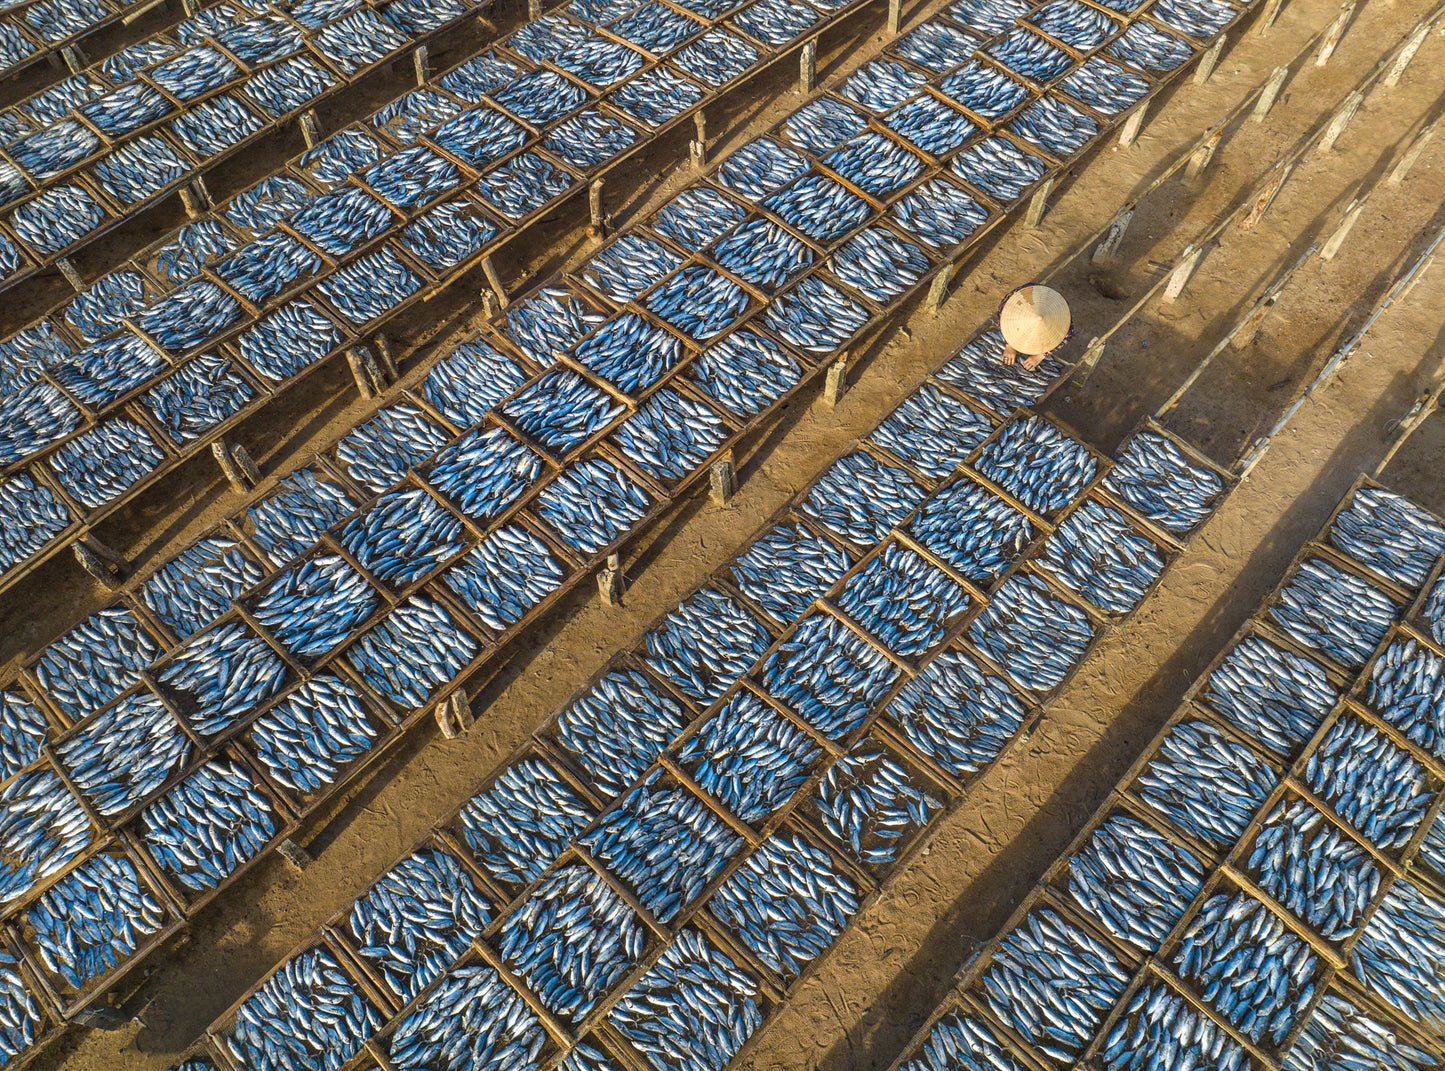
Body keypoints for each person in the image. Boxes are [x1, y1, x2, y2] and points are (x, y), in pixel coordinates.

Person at [998, 284, 1072, 372]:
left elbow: (1066, 338)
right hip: (1029, 293)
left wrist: (1040, 356)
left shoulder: (1064, 320)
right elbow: (1002, 320)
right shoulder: (1007, 305)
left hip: (1047, 297)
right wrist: (1009, 345)